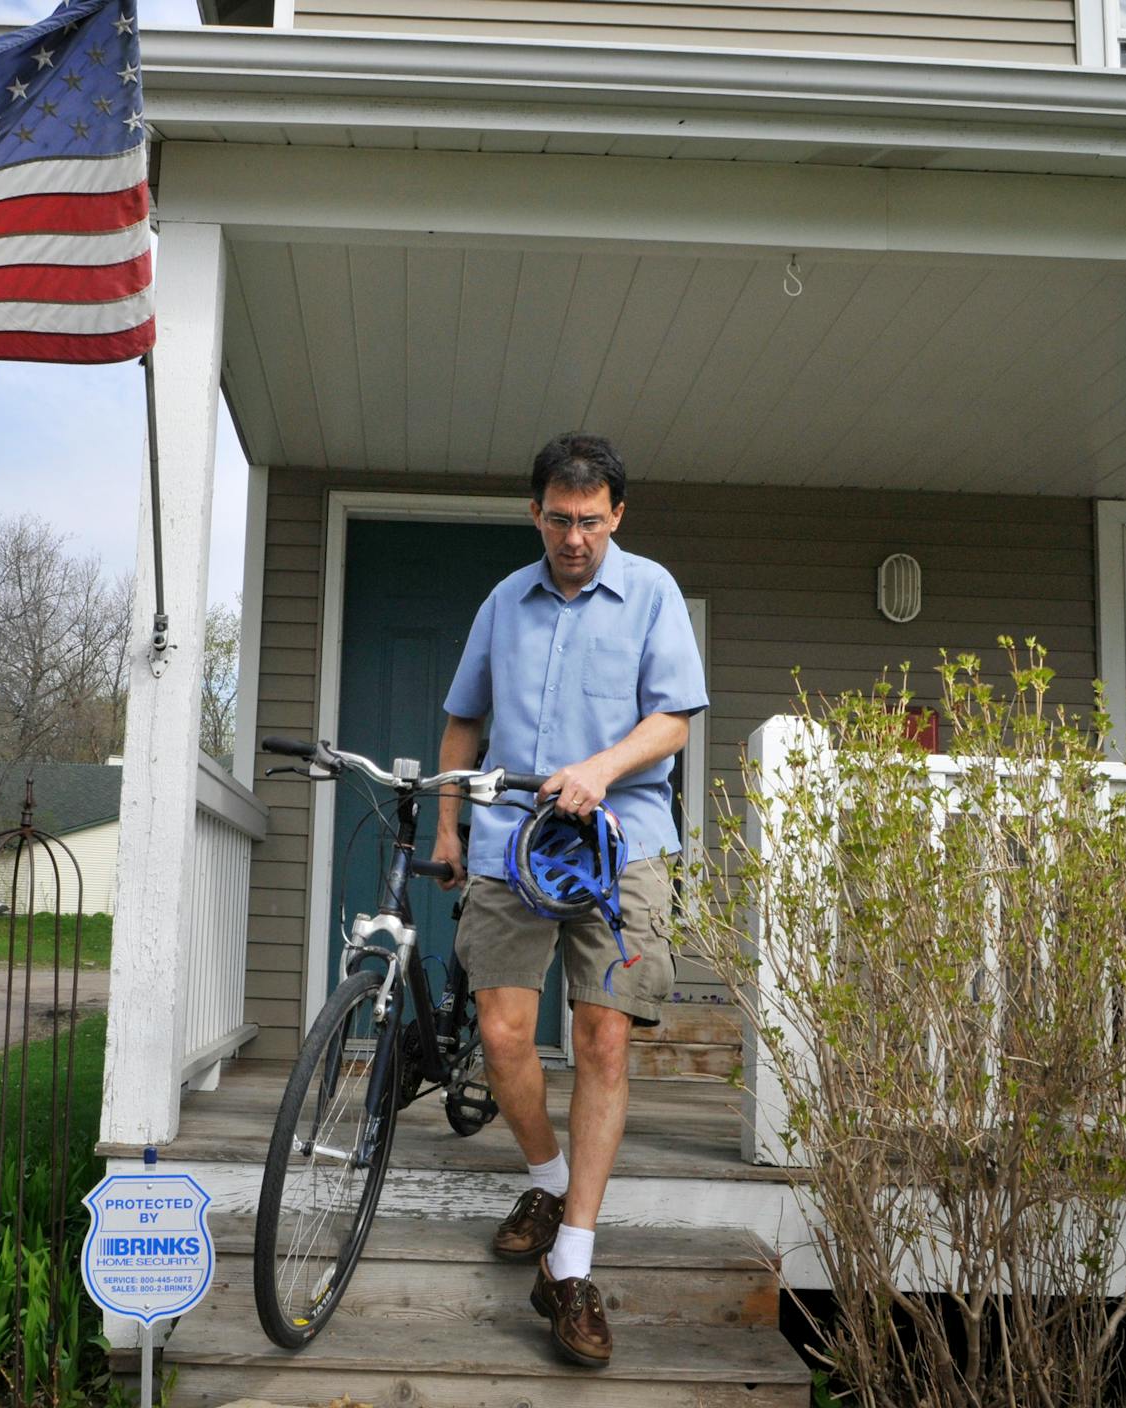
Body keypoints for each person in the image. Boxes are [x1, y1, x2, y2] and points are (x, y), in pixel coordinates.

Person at [430, 431, 707, 1367]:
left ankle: (572, 1262)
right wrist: (446, 827)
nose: (574, 537)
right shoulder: (505, 602)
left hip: (621, 843)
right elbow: (465, 716)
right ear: (536, 512)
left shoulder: (654, 593)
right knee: (504, 1034)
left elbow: (672, 720)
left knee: (601, 1035)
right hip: (513, 840)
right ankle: (546, 1177)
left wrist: (599, 766)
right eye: (559, 519)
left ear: (616, 516)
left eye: (591, 521)